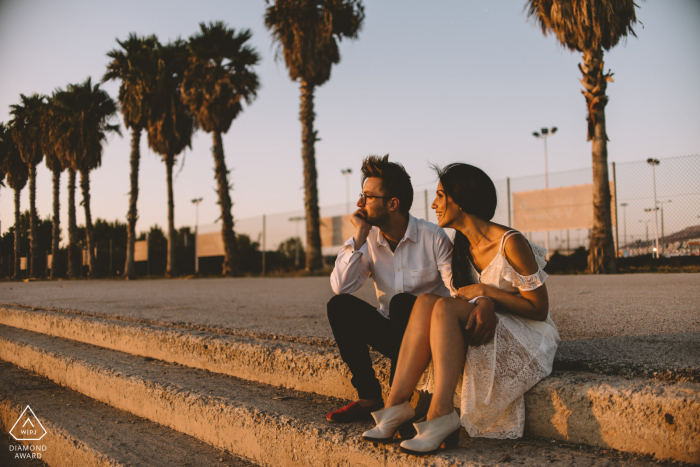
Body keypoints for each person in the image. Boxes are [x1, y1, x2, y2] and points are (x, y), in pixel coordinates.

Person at [362, 163, 560, 455]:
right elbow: (464, 295)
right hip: (486, 322)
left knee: (443, 308)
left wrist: (487, 293)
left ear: (461, 198)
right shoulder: (463, 245)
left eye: (441, 195)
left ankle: (440, 415)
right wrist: (483, 300)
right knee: (428, 301)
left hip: (526, 333)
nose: (434, 203)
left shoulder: (510, 242)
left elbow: (539, 309)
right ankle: (395, 407)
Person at [326, 155, 496, 423]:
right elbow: (341, 286)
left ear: (393, 204)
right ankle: (369, 397)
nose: (360, 203)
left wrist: (483, 301)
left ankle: (397, 403)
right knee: (339, 306)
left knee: (404, 303)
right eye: (362, 195)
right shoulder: (367, 238)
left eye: (368, 197)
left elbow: (455, 288)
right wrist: (358, 237)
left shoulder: (432, 237)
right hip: (392, 333)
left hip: (428, 338)